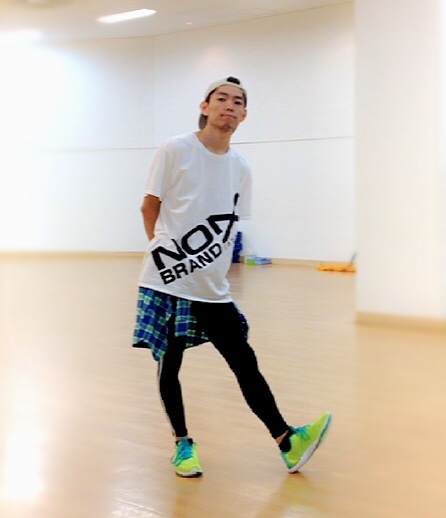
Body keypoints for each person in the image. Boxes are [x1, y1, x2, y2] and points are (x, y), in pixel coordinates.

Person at [133, 76, 331, 477]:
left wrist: (217, 272)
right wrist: (162, 251)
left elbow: (229, 226)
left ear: (244, 114)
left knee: (244, 361)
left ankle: (287, 441)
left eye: (237, 101)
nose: (229, 105)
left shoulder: (240, 167)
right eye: (221, 98)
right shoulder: (176, 148)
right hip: (169, 279)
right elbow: (149, 205)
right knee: (169, 364)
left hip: (212, 287)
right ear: (205, 106)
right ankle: (182, 444)